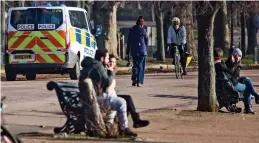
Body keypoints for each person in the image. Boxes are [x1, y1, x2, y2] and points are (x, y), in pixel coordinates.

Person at [79, 48, 137, 137]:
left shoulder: (90, 65)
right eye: (107, 58)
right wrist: (110, 72)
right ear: (102, 59)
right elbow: (107, 82)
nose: (108, 60)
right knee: (121, 102)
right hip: (93, 99)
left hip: (88, 97)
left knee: (115, 99)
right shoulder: (98, 66)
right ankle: (123, 128)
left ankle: (111, 124)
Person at [106, 55, 150, 128]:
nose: (112, 63)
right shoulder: (106, 71)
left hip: (112, 95)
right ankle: (131, 122)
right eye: (110, 61)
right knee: (126, 100)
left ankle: (133, 121)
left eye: (113, 62)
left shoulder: (111, 72)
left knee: (127, 99)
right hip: (107, 97)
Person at [214, 48, 259, 114]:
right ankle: (250, 105)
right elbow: (230, 72)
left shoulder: (215, 64)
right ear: (221, 56)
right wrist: (236, 62)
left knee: (245, 79)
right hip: (231, 85)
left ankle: (255, 97)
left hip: (225, 85)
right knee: (247, 86)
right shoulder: (221, 64)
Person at [127, 16, 148, 87]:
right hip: (142, 50)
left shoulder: (132, 30)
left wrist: (127, 51)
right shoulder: (143, 30)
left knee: (135, 65)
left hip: (134, 50)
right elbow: (146, 40)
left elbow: (129, 41)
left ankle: (134, 79)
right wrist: (145, 47)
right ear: (142, 23)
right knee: (140, 66)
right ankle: (139, 81)